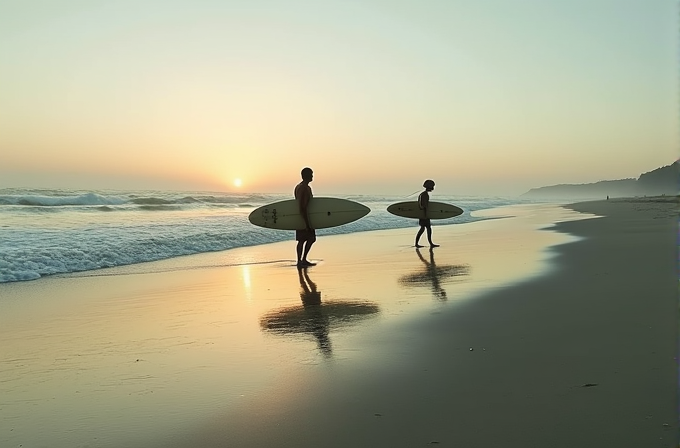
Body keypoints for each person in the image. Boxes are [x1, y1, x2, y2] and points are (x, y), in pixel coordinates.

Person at [294, 167, 316, 267]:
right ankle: (302, 260)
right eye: (311, 174)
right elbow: (303, 207)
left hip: (299, 217)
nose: (312, 176)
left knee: (302, 240)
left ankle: (301, 260)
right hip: (305, 217)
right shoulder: (304, 188)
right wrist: (307, 223)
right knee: (310, 239)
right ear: (306, 175)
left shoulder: (298, 186)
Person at [415, 179, 439, 248]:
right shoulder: (424, 195)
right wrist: (425, 215)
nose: (433, 188)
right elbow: (424, 206)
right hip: (424, 215)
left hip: (422, 214)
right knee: (426, 228)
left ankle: (418, 243)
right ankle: (429, 243)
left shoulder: (423, 194)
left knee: (424, 228)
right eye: (432, 186)